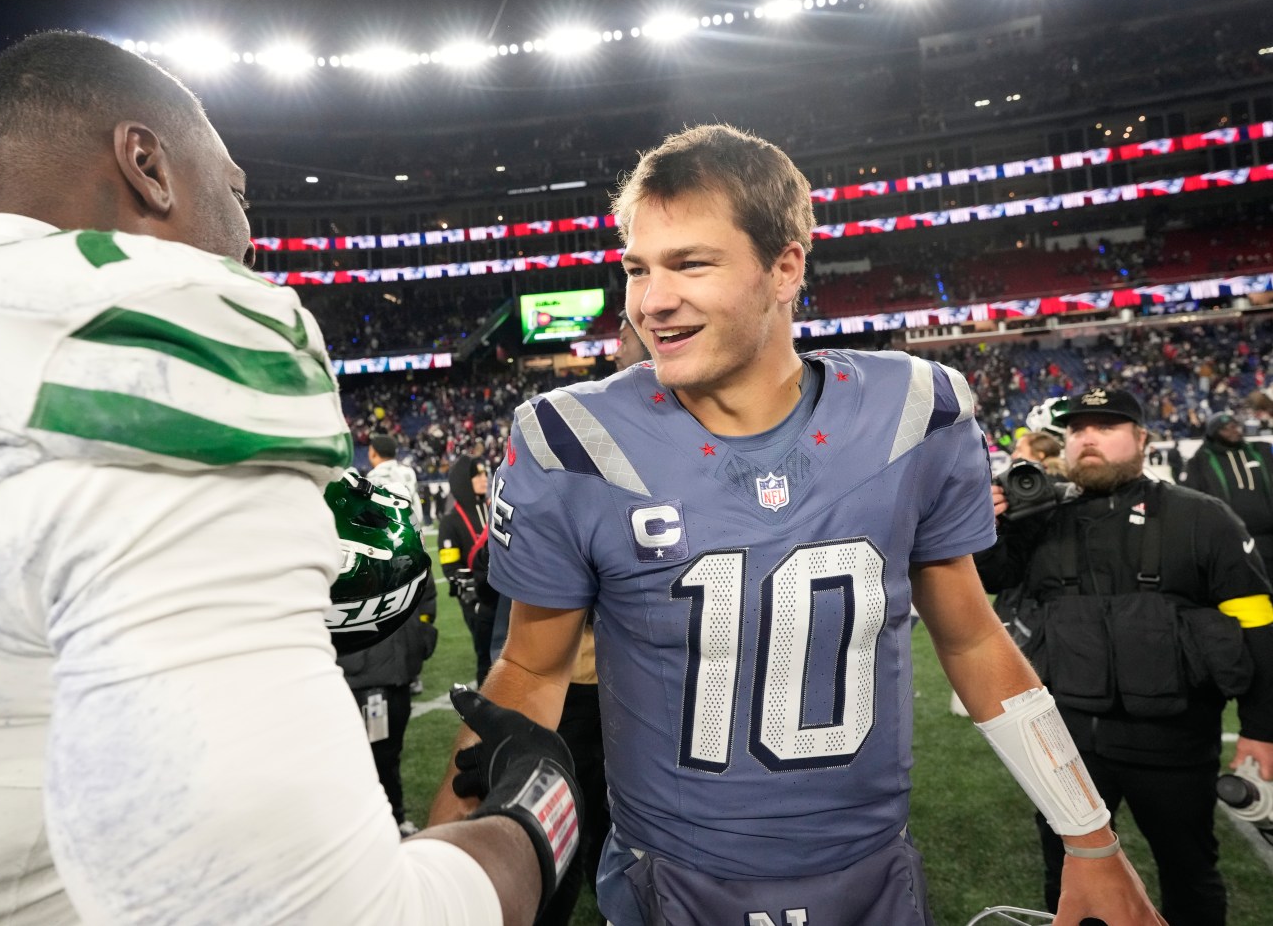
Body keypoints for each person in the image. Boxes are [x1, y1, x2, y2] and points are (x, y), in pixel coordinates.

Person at [0, 32, 579, 925]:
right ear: (147, 166)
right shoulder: (159, 323)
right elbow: (324, 914)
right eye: (238, 192)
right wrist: (537, 815)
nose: (249, 237)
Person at [432, 124, 1163, 926]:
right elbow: (531, 672)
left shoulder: (913, 412)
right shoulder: (573, 439)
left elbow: (971, 638)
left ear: (785, 267)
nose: (651, 301)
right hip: (667, 880)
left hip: (869, 878)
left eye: (690, 263)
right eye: (638, 268)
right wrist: (438, 883)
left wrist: (1091, 837)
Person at [977, 386, 1273, 926]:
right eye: (1077, 429)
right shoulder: (1038, 517)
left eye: (1106, 426)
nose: (1087, 437)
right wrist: (986, 528)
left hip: (1175, 742)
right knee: (1068, 878)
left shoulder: (1202, 518)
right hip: (1065, 745)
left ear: (1142, 440)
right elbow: (990, 580)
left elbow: (1258, 625)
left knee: (1189, 873)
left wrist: (1261, 729)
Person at [336, 434, 439, 837]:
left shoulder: (404, 550)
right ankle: (374, 824)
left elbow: (425, 592)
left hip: (394, 673)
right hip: (365, 675)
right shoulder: (344, 554)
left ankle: (392, 816)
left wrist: (422, 638)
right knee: (365, 757)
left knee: (388, 753)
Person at [1182, 411, 1273, 576]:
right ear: (1213, 434)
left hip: (1268, 538)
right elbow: (1192, 497)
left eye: (1235, 426)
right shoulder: (1201, 460)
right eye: (1226, 429)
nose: (1234, 431)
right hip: (1231, 542)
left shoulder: (1260, 450)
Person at [440, 454, 498, 686]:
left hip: (501, 594)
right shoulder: (450, 521)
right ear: (465, 481)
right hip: (477, 600)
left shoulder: (493, 508)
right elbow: (451, 569)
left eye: (485, 474)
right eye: (478, 475)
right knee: (487, 658)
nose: (485, 479)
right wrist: (474, 599)